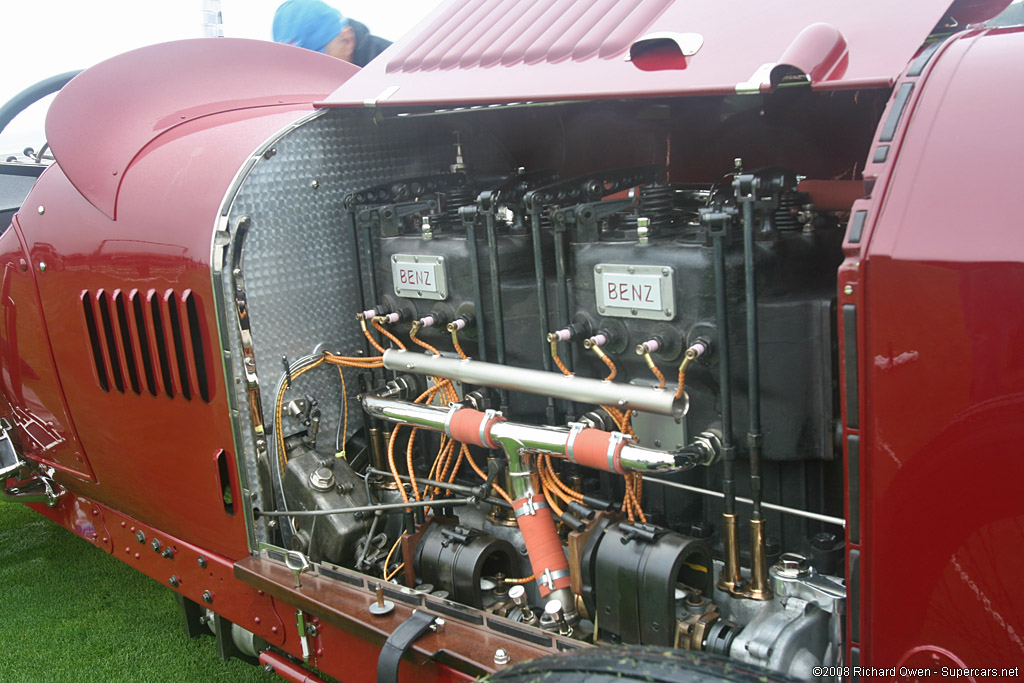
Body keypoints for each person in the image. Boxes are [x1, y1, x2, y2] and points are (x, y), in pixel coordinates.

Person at [272, 0, 392, 67]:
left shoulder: (402, 75)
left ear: (347, 41)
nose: (306, 75)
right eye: (296, 67)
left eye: (315, 63)